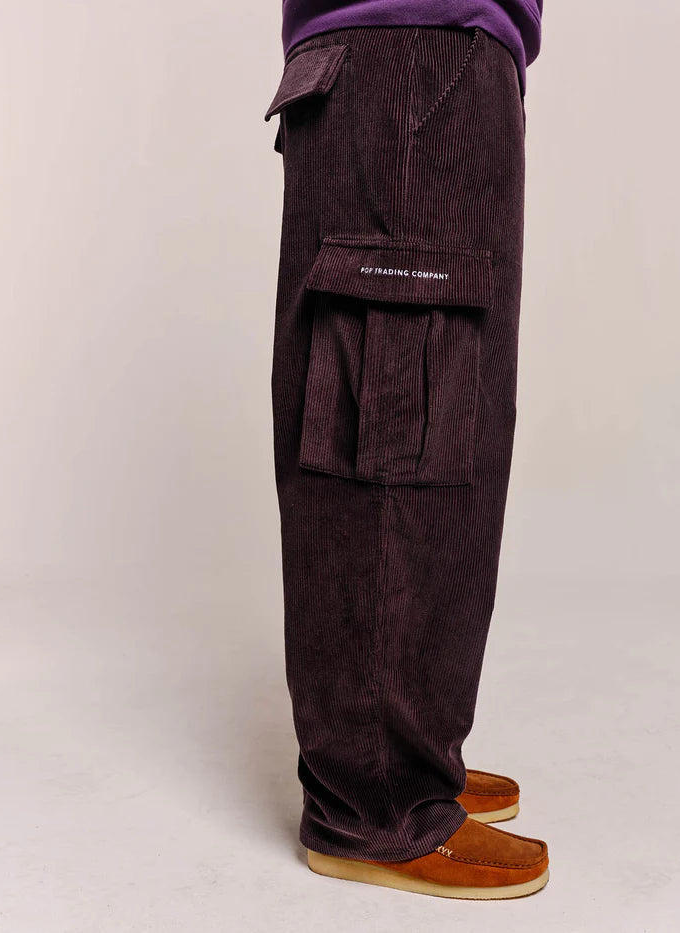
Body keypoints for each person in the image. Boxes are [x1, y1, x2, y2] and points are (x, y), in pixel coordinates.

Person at [264, 0, 547, 900]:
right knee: (395, 415)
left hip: (428, 58)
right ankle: (374, 801)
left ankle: (410, 755)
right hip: (413, 53)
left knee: (444, 410)